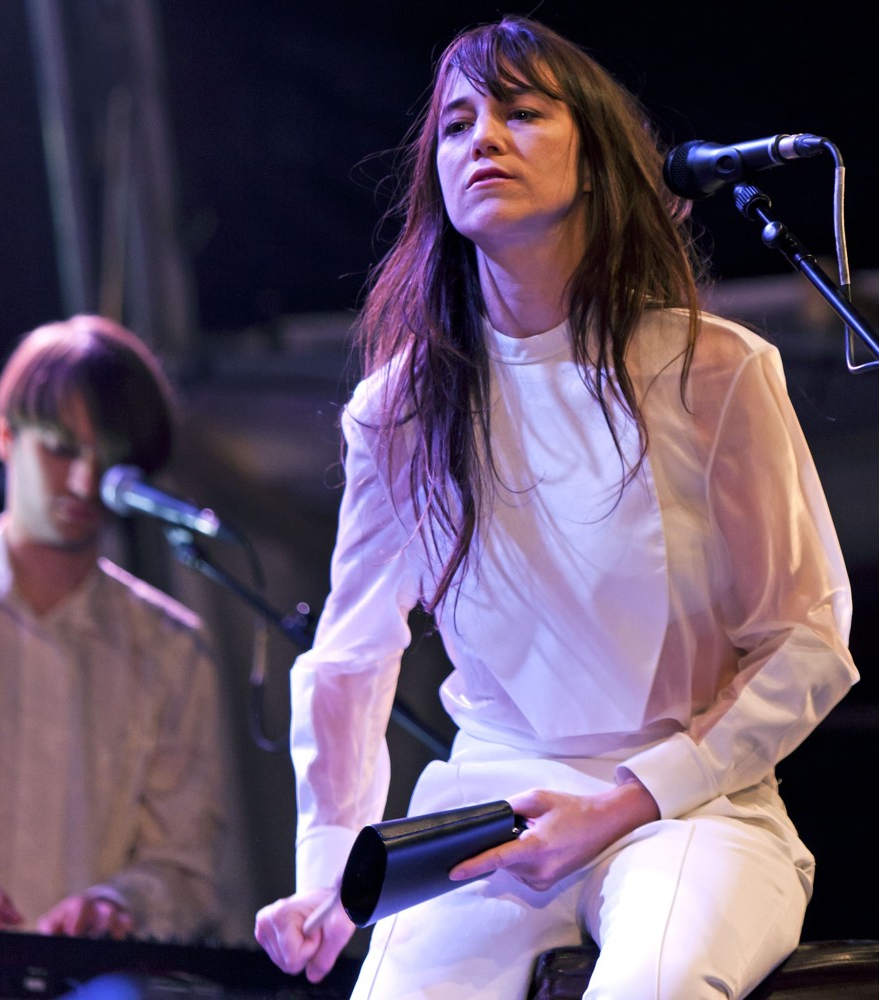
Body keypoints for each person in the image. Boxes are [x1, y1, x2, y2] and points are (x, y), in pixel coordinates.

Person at [253, 16, 858, 1000]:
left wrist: (627, 800)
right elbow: (351, 656)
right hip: (489, 808)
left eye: (522, 112)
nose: (482, 138)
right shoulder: (401, 408)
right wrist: (326, 875)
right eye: (455, 124)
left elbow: (806, 641)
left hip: (695, 806)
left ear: (600, 160)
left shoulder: (717, 370)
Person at [0, 315, 229, 941]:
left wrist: (119, 904)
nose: (83, 482)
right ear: (4, 434)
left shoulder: (171, 650)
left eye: (108, 462)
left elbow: (188, 871)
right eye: (60, 447)